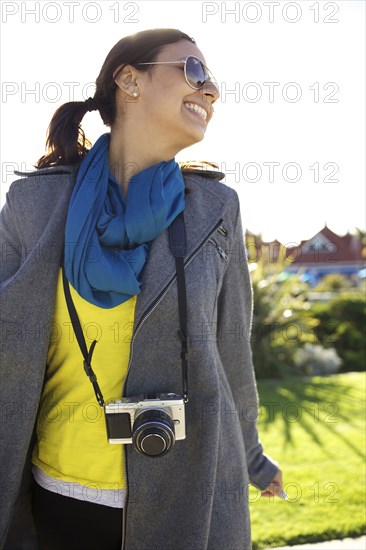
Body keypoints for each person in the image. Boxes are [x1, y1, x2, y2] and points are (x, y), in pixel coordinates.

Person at [0, 28, 283, 550]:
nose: (211, 91)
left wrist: (253, 457)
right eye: (194, 71)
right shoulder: (32, 206)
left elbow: (230, 349)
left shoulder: (215, 210)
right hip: (58, 493)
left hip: (184, 493)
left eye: (213, 82)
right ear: (129, 80)